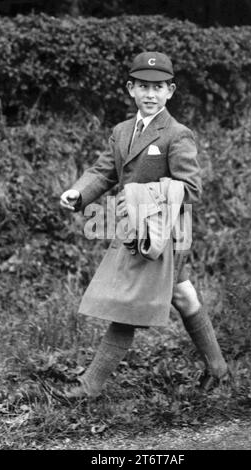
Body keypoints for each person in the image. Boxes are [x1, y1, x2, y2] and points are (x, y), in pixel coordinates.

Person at [60, 51, 228, 399]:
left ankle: (89, 386)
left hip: (167, 234)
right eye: (143, 87)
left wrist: (139, 194)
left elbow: (192, 188)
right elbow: (103, 172)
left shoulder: (178, 134)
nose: (150, 94)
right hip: (134, 232)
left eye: (158, 87)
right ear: (130, 89)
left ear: (171, 91)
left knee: (128, 303)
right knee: (182, 295)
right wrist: (78, 193)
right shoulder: (121, 132)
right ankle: (218, 368)